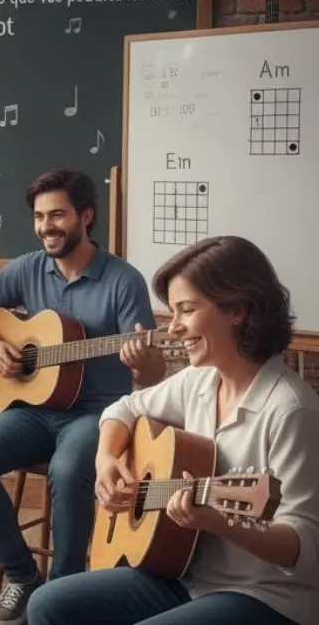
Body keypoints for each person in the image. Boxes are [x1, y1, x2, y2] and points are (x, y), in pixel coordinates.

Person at [27, 235, 319, 625]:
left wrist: (218, 521)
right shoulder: (200, 380)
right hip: (185, 574)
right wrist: (107, 458)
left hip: (265, 595)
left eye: (186, 310)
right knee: (47, 604)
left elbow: (302, 548)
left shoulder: (290, 410)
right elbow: (124, 407)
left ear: (237, 309)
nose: (174, 328)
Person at [0, 167, 166, 625]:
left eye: (58, 215)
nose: (47, 226)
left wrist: (140, 358)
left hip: (96, 412)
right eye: (39, 216)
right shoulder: (28, 267)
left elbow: (153, 372)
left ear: (86, 216)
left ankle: (64, 591)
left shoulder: (123, 280)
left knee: (70, 472)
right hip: (34, 410)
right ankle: (22, 575)